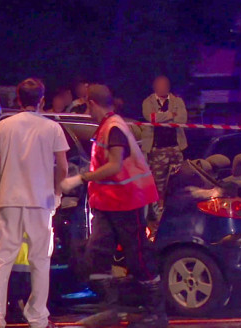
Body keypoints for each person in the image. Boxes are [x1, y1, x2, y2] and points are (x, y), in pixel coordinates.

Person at [61, 84, 166, 328]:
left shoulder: (114, 128)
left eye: (87, 106)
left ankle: (155, 313)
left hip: (126, 201)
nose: (86, 112)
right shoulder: (109, 126)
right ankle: (109, 309)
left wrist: (81, 178)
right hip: (109, 203)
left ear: (92, 103)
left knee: (138, 255)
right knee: (97, 253)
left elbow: (115, 166)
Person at [0, 78, 69, 328]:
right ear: (42, 100)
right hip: (41, 202)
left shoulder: (4, 126)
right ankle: (38, 317)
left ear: (18, 100)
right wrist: (56, 194)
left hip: (9, 199)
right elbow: (62, 166)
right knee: (40, 260)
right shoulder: (52, 128)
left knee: (1, 259)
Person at [141, 75, 187, 216]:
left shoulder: (177, 101)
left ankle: (177, 209)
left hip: (175, 147)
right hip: (157, 149)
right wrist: (171, 114)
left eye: (165, 85)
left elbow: (182, 118)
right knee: (157, 183)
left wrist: (164, 116)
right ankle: (158, 213)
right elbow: (151, 117)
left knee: (178, 180)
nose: (163, 88)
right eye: (160, 85)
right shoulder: (148, 102)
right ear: (155, 87)